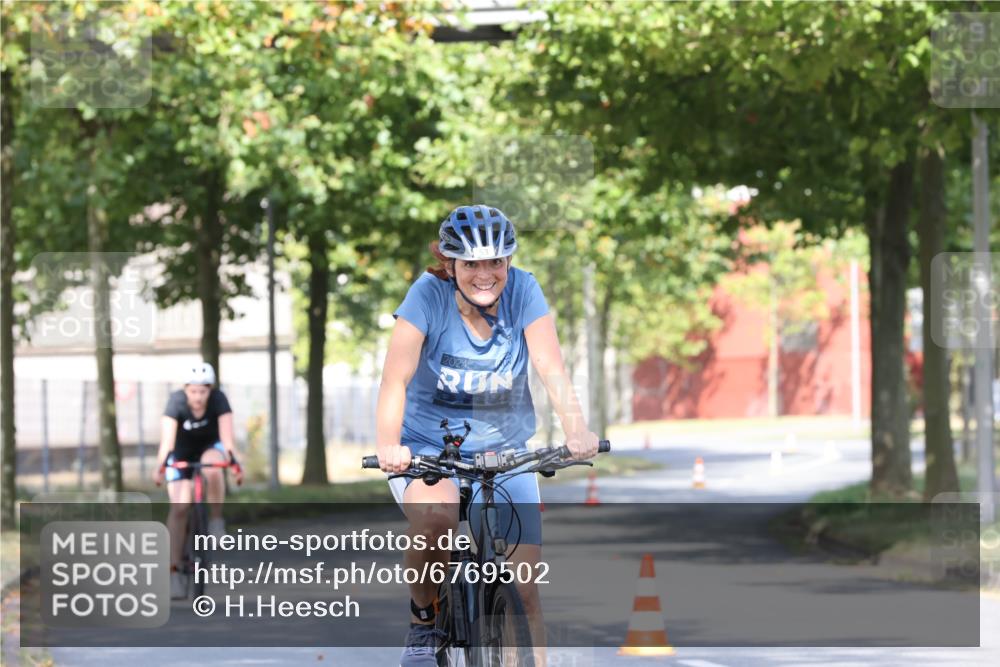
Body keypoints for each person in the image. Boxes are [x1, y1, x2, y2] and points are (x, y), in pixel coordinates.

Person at [375, 204, 600, 666]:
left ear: (509, 262)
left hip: (506, 450)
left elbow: (550, 367)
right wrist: (388, 445)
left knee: (524, 586)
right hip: (429, 449)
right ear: (450, 263)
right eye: (472, 263)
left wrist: (576, 430)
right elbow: (395, 379)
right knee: (436, 520)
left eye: (496, 261)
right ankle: (423, 621)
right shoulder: (426, 296)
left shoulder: (525, 291)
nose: (485, 273)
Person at [153, 361, 243, 599]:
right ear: (185, 389)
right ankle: (174, 572)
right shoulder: (176, 403)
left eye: (203, 391)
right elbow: (167, 443)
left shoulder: (219, 400)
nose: (198, 397)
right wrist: (160, 467)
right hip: (181, 453)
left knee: (213, 467)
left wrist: (234, 462)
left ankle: (215, 521)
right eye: (193, 391)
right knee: (180, 507)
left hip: (209, 448)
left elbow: (227, 439)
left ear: (210, 390)